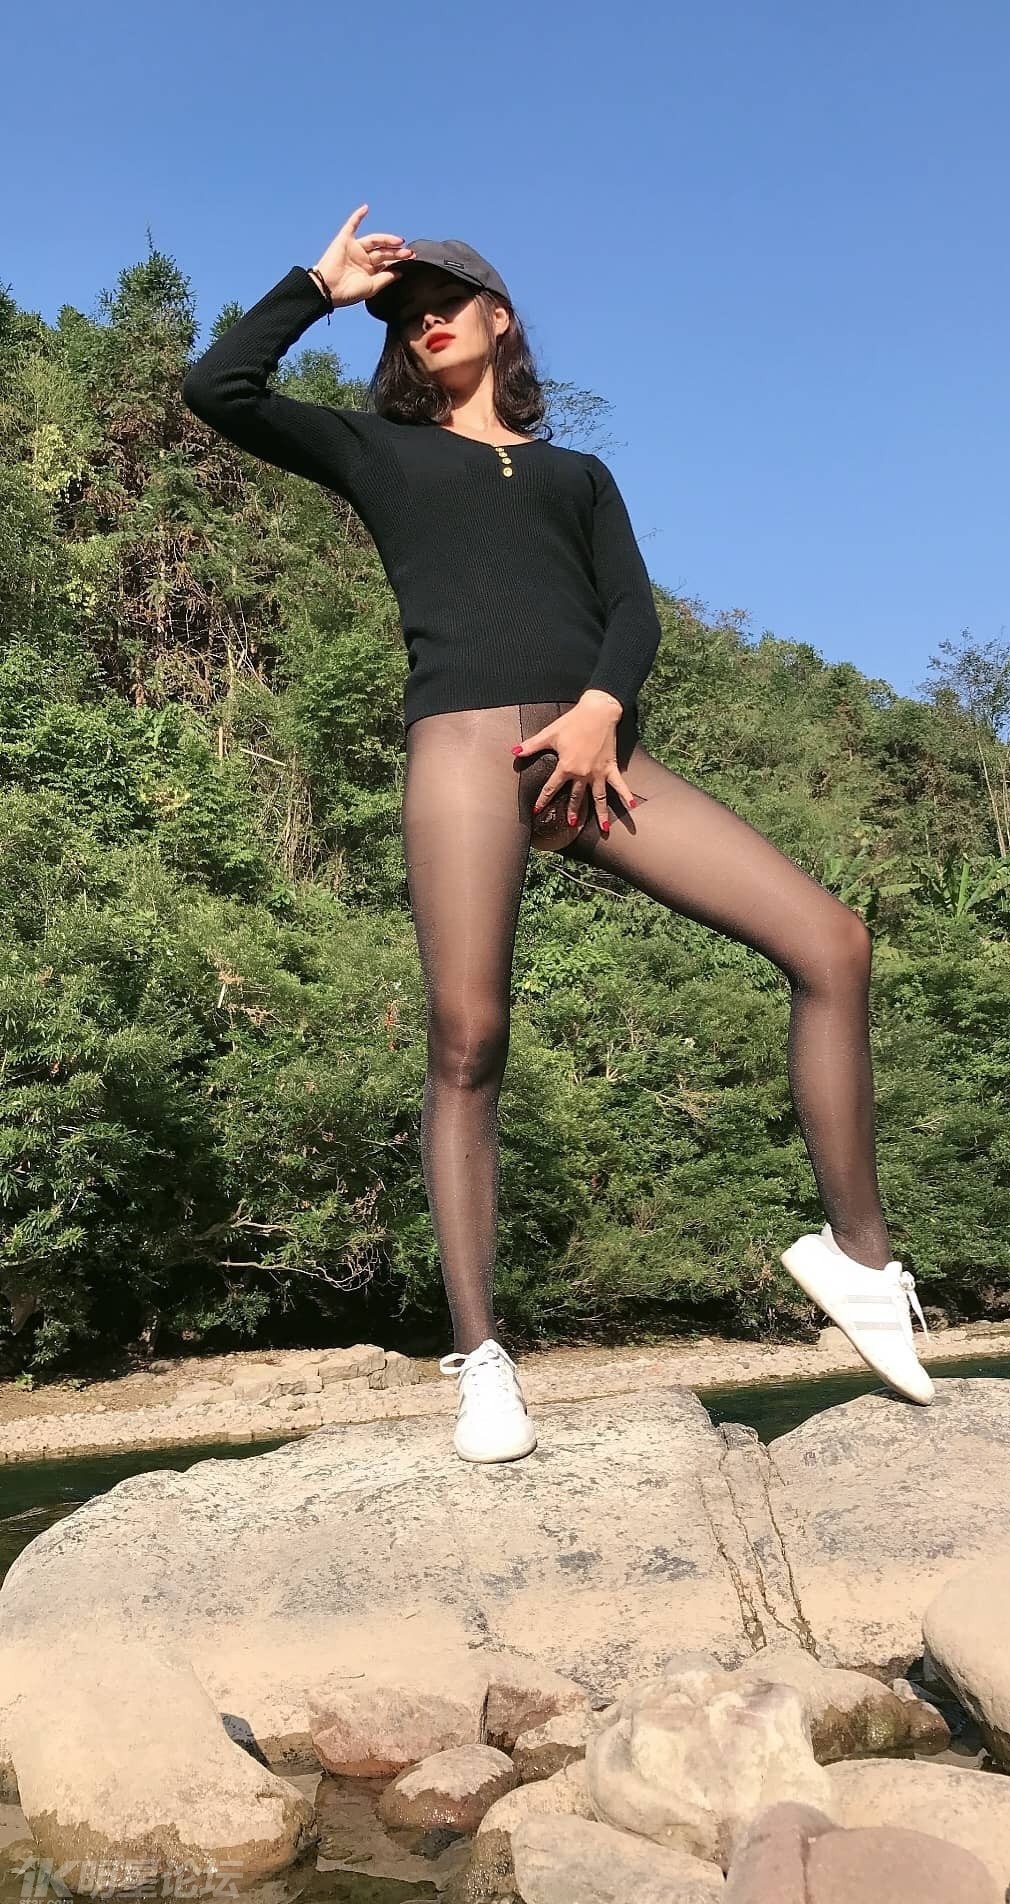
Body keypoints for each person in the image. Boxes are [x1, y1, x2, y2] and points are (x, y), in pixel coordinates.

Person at [181, 203, 934, 1466]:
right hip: (465, 753)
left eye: (445, 300)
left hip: (594, 756)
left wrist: (599, 709)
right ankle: (483, 1360)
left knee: (833, 942)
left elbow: (633, 610)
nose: (424, 320)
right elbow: (220, 389)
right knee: (468, 1038)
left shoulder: (579, 475)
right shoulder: (380, 452)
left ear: (500, 317)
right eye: (404, 312)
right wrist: (319, 283)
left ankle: (861, 1257)